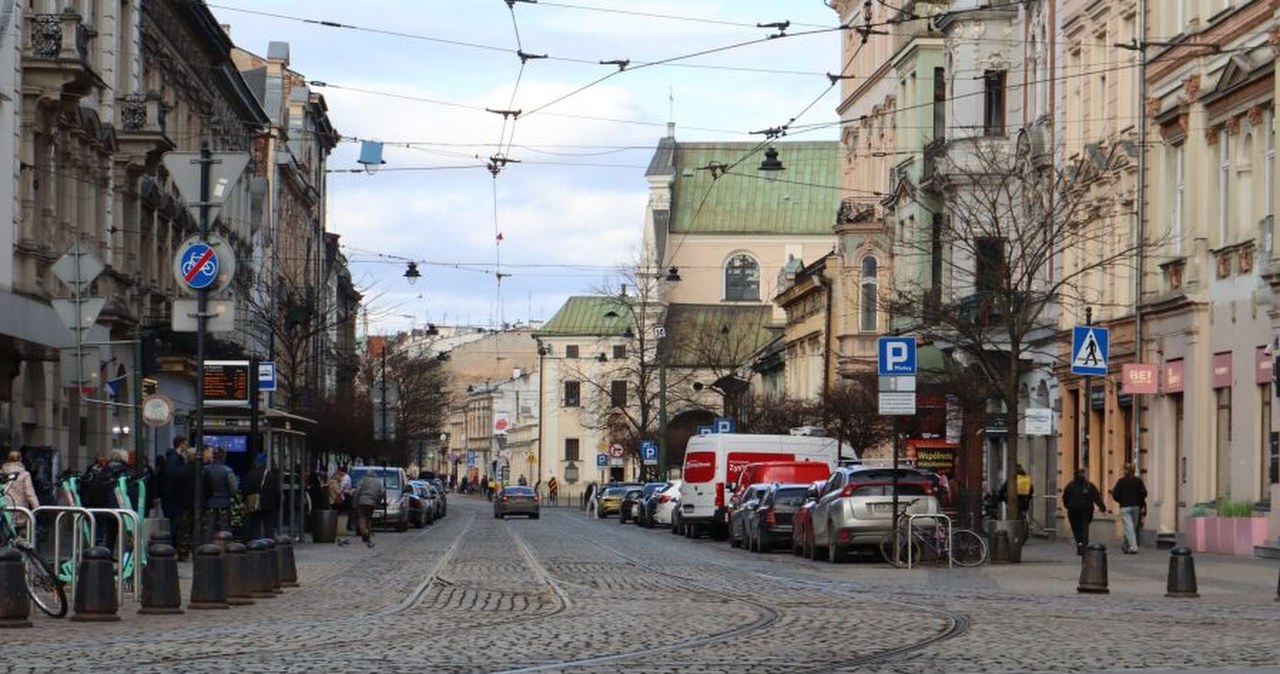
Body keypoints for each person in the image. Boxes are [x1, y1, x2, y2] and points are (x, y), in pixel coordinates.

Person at [1062, 469, 1107, 555]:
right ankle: (1084, 544)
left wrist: (1067, 505)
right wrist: (1102, 507)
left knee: (1076, 528)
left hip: (1073, 510)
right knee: (1084, 527)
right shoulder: (1089, 486)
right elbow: (1096, 497)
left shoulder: (1070, 486)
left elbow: (1065, 498)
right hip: (1086, 510)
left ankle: (1080, 544)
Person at [1110, 464, 1148, 554]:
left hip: (1126, 507)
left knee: (1129, 527)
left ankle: (1126, 545)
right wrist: (1139, 502)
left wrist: (1121, 501)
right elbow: (1144, 493)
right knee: (1131, 527)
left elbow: (1115, 494)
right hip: (1135, 507)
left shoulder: (1121, 482)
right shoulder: (1138, 482)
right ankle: (1133, 547)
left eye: (1125, 470)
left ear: (1126, 471)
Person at [201, 446, 235, 543]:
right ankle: (224, 547)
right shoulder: (227, 470)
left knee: (210, 527)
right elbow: (234, 488)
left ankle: (208, 547)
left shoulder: (206, 469)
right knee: (224, 527)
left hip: (210, 502)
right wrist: (229, 495)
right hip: (224, 502)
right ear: (224, 456)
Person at [242, 454, 280, 541]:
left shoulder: (250, 474)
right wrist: (277, 504)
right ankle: (269, 543)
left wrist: (245, 501)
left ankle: (255, 543)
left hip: (254, 503)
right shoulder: (270, 475)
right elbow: (276, 491)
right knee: (268, 525)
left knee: (255, 524)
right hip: (269, 504)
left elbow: (245, 490)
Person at [1, 449, 40, 530]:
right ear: (20, 459)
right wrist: (36, 506)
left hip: (4, 507)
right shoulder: (24, 474)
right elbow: (30, 492)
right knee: (22, 533)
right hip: (20, 509)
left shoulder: (2, 473)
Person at [161, 437, 187, 547]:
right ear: (181, 444)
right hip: (173, 497)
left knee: (174, 522)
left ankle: (173, 544)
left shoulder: (173, 458)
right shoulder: (175, 459)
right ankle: (172, 545)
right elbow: (173, 477)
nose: (186, 446)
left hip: (171, 496)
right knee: (174, 522)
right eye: (185, 443)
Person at [353, 469, 385, 548]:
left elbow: (357, 491)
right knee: (369, 518)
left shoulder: (362, 481)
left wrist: (355, 502)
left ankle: (365, 532)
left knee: (361, 517)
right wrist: (378, 500)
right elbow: (382, 492)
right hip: (372, 503)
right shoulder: (378, 483)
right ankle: (368, 534)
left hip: (362, 502)